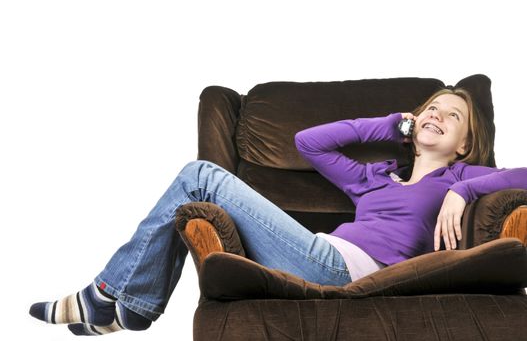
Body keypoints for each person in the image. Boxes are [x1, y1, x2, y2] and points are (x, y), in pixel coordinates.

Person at [29, 87, 527, 336]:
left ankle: (114, 299)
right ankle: (121, 303)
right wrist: (386, 125)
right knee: (195, 184)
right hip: (316, 255)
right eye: (432, 109)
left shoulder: (461, 177)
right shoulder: (374, 178)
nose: (438, 115)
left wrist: (462, 192)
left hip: (342, 270)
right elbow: (308, 143)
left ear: (465, 146)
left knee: (199, 175)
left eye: (453, 115)